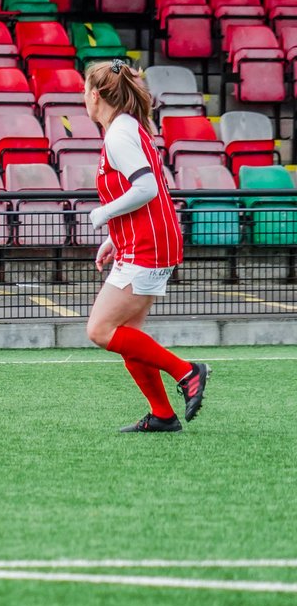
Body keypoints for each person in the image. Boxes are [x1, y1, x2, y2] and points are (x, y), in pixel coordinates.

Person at [83, 58, 209, 433]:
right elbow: (143, 190)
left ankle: (186, 372)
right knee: (128, 338)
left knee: (100, 330)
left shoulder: (119, 134)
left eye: (84, 92)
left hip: (147, 246)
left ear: (94, 96)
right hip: (147, 241)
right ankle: (163, 416)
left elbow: (147, 188)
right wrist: (113, 237)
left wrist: (103, 214)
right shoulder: (127, 128)